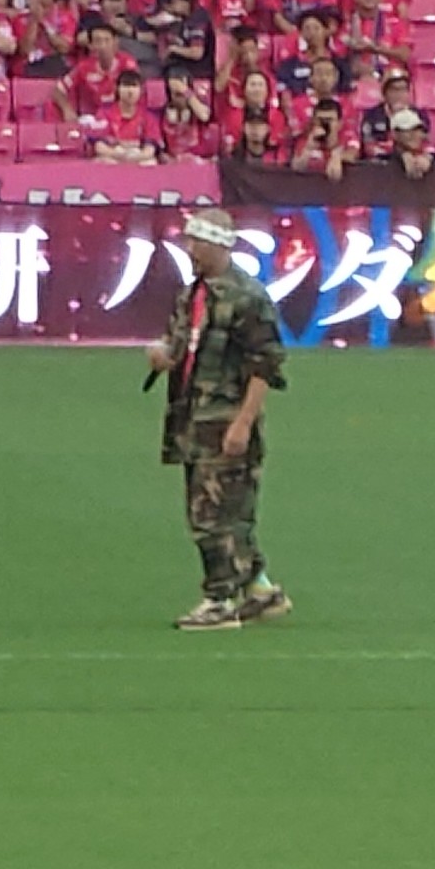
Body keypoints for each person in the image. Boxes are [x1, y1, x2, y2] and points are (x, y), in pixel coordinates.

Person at [145, 206, 289, 632]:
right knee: (225, 511)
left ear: (218, 245)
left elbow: (266, 365)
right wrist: (164, 357)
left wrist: (243, 422)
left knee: (212, 515)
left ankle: (219, 599)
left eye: (197, 242)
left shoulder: (247, 297)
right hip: (193, 417)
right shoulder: (193, 294)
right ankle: (259, 589)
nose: (190, 249)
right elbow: (181, 345)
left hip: (224, 418)